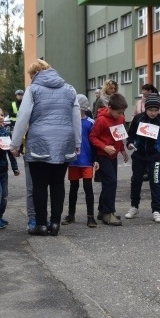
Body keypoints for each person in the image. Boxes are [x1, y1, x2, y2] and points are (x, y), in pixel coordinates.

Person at [9, 59, 80, 237]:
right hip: (65, 140)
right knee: (58, 183)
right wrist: (77, 143)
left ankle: (40, 224)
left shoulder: (33, 89)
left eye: (31, 75)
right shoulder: (70, 89)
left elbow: (23, 116)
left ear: (35, 74)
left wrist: (15, 143)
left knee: (39, 185)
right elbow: (76, 118)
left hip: (39, 140)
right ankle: (55, 223)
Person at [124, 93, 160, 223]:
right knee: (136, 181)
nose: (153, 113)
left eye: (156, 110)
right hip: (139, 156)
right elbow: (131, 134)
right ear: (146, 108)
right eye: (150, 110)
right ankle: (134, 206)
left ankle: (156, 210)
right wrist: (130, 143)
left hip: (155, 156)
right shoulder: (138, 118)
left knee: (155, 182)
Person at [89, 93, 129, 226]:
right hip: (103, 155)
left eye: (122, 112)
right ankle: (108, 213)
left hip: (113, 155)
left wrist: (122, 150)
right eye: (118, 112)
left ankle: (103, 210)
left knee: (109, 183)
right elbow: (93, 137)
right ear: (110, 108)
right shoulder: (101, 120)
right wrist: (104, 147)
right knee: (111, 182)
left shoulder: (121, 118)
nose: (121, 115)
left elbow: (119, 135)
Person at [62, 94, 98, 228]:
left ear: (83, 108)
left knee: (88, 187)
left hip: (86, 160)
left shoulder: (90, 123)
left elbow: (94, 142)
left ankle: (90, 217)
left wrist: (95, 159)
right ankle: (71, 215)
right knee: (73, 188)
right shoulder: (70, 122)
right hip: (73, 161)